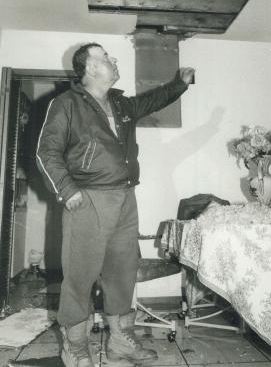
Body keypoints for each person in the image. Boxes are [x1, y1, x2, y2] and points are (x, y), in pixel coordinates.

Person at [36, 42, 195, 367]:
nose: (113, 59)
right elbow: (46, 152)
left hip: (125, 198)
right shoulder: (66, 104)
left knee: (122, 273)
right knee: (79, 278)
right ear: (91, 68)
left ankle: (120, 343)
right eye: (106, 57)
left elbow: (153, 100)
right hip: (88, 200)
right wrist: (67, 190)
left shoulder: (121, 105)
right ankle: (75, 347)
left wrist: (180, 83)